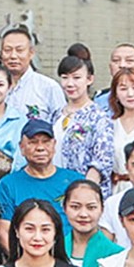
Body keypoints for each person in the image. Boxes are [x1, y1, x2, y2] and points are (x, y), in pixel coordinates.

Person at [0, 118, 85, 243]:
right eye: (33, 142)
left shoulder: (76, 181)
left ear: (54, 145)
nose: (40, 148)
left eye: (46, 142)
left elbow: (89, 224)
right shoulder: (8, 184)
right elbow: (3, 231)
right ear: (21, 148)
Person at [51, 54, 116, 185]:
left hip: (84, 189)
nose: (70, 83)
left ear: (89, 79)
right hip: (54, 186)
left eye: (76, 78)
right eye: (65, 78)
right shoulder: (56, 115)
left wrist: (85, 189)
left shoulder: (99, 117)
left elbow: (102, 161)